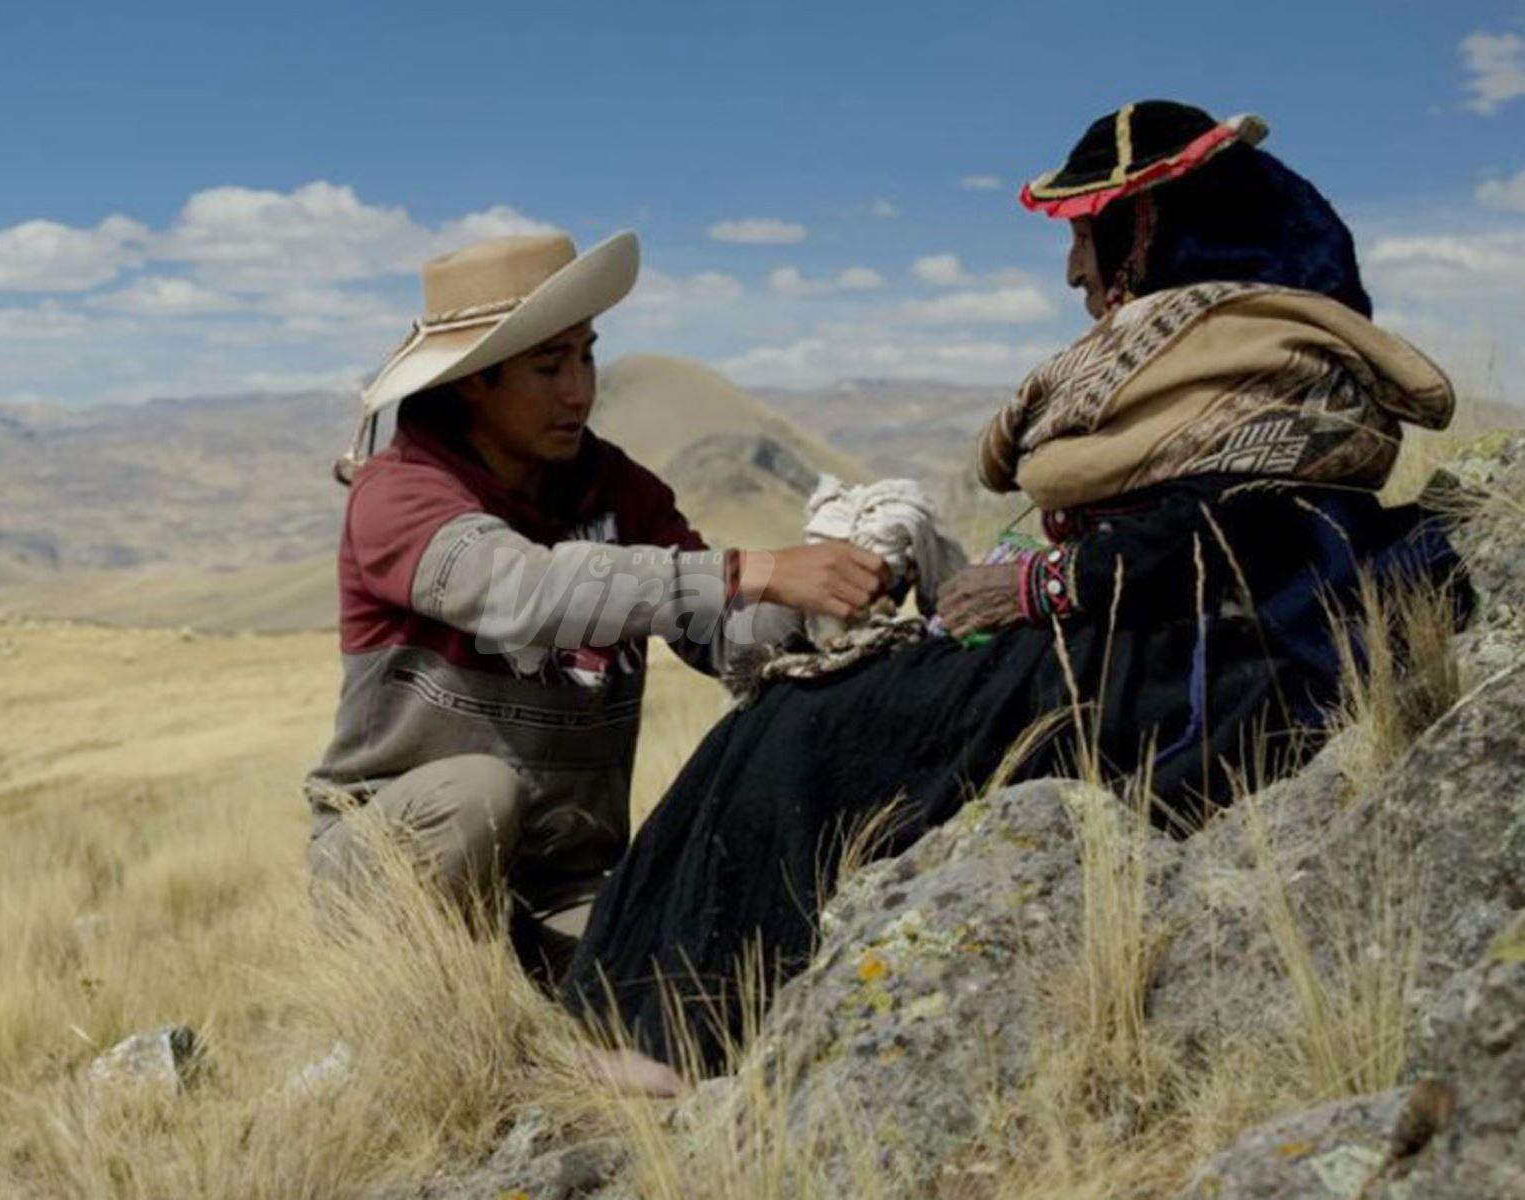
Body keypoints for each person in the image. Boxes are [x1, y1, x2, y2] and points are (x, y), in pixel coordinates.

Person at [560, 101, 1469, 1073]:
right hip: (1135, 637)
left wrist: (1040, 584)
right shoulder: (1221, 345)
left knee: (809, 732)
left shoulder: (1258, 353)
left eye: (1086, 236)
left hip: (1186, 670)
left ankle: (684, 1037)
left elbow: (1231, 535)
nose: (1075, 270)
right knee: (787, 715)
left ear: (1148, 227)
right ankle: (638, 1024)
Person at [303, 231, 907, 1071]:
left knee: (695, 1016)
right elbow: (525, 592)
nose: (580, 389)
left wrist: (832, 601)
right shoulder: (400, 490)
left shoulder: (616, 487)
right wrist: (754, 570)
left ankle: (545, 1034)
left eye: (587, 356)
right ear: (476, 380)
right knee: (477, 795)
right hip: (397, 865)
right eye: (549, 366)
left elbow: (721, 635)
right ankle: (436, 1035)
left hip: (565, 883)